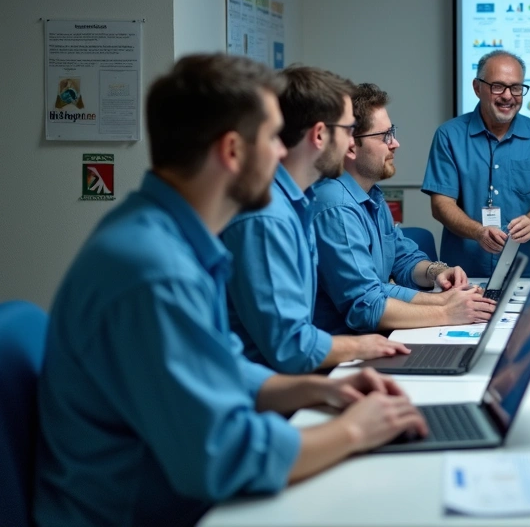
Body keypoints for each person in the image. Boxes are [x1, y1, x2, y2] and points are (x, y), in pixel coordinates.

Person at [35, 55, 428, 527]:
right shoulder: (157, 270)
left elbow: (222, 367)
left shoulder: (165, 235)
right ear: (232, 151)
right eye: (273, 138)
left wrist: (318, 390)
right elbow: (223, 457)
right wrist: (354, 431)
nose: (282, 154)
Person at [221, 66, 410, 373]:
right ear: (320, 134)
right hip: (269, 388)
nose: (352, 143)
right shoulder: (268, 217)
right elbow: (290, 347)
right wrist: (362, 347)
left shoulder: (300, 202)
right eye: (348, 130)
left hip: (289, 379)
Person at [312, 83, 495, 335]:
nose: (395, 143)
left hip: (374, 335)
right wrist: (445, 310)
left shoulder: (371, 195)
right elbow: (367, 306)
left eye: (393, 132)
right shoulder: (336, 207)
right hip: (345, 347)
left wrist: (437, 272)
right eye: (384, 136)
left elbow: (402, 259)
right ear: (351, 146)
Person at [423, 50, 530, 277]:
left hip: (524, 271)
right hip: (461, 274)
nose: (508, 96)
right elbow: (441, 205)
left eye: (516, 88)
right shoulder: (449, 135)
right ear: (477, 88)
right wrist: (478, 232)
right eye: (498, 86)